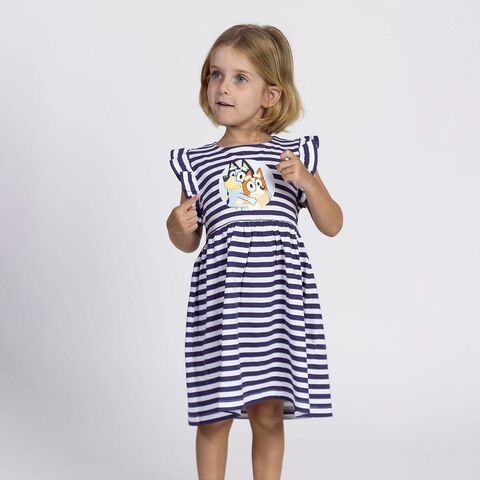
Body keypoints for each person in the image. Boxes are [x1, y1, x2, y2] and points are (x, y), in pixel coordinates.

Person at [166, 23, 343, 480]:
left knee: (267, 412)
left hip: (275, 306)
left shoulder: (293, 157)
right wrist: (176, 225)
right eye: (215, 74)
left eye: (240, 78)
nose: (223, 87)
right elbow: (188, 241)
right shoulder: (197, 163)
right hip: (222, 307)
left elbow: (332, 224)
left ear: (271, 95)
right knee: (214, 414)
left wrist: (308, 183)